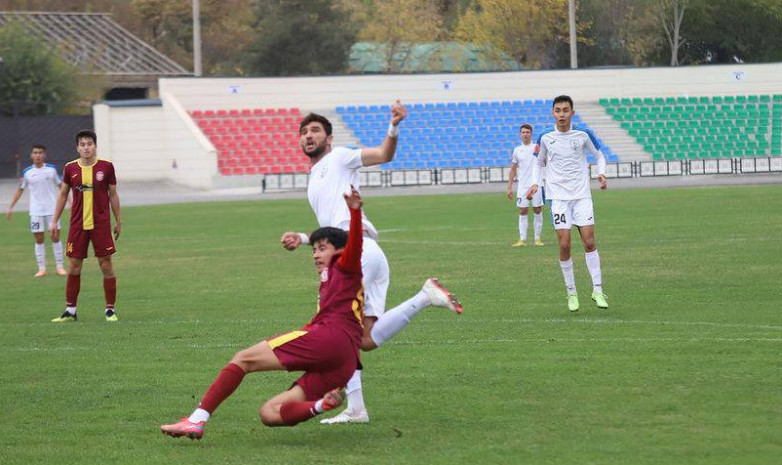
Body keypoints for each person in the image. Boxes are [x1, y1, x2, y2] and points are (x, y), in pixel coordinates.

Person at [160, 187, 456, 440]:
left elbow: (353, 246)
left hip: (327, 339)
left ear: (338, 250)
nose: (315, 253)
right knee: (269, 413)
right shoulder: (333, 277)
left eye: (321, 248)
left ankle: (196, 419)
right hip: (343, 361)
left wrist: (354, 213)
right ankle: (322, 406)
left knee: (243, 359)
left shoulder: (344, 264)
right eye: (313, 248)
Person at [280, 104, 463, 424]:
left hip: (356, 254)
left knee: (336, 332)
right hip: (369, 252)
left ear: (329, 138)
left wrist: (393, 127)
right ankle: (424, 297)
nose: (308, 136)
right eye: (304, 132)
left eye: (315, 131)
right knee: (364, 337)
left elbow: (383, 154)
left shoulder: (339, 158)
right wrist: (304, 237)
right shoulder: (314, 178)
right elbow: (333, 225)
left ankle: (354, 407)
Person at [525, 95, 608, 312]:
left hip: (582, 197)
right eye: (558, 110)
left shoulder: (582, 135)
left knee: (589, 242)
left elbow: (600, 156)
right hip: (559, 199)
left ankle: (597, 290)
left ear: (572, 112)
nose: (562, 114)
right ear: (553, 113)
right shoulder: (545, 137)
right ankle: (571, 293)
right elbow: (537, 162)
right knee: (564, 245)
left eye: (565, 110)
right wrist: (535, 183)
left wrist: (601, 174)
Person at [50, 130, 122, 323]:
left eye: (89, 143)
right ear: (77, 147)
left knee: (106, 264)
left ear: (95, 146)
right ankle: (70, 310)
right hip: (77, 225)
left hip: (101, 224)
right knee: (74, 266)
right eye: (82, 144)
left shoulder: (106, 167)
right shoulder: (70, 168)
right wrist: (55, 220)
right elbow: (63, 194)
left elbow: (113, 194)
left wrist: (118, 220)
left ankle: (110, 310)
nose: (86, 147)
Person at [6, 144, 67, 276]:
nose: (38, 155)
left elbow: (61, 186)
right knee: (39, 239)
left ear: (44, 155)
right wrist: (11, 207)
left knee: (55, 237)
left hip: (52, 211)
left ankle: (60, 267)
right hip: (35, 212)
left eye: (40, 153)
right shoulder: (27, 172)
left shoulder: (51, 170)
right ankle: (41, 269)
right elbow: (20, 190)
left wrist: (71, 202)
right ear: (31, 155)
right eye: (35, 153)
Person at [506, 124, 544, 247]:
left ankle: (537, 239)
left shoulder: (537, 148)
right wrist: (509, 187)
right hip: (522, 186)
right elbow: (513, 169)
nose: (525, 134)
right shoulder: (517, 150)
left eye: (527, 132)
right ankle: (522, 239)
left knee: (537, 209)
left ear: (531, 134)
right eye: (523, 132)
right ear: (520, 134)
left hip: (536, 184)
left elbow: (545, 162)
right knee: (523, 210)